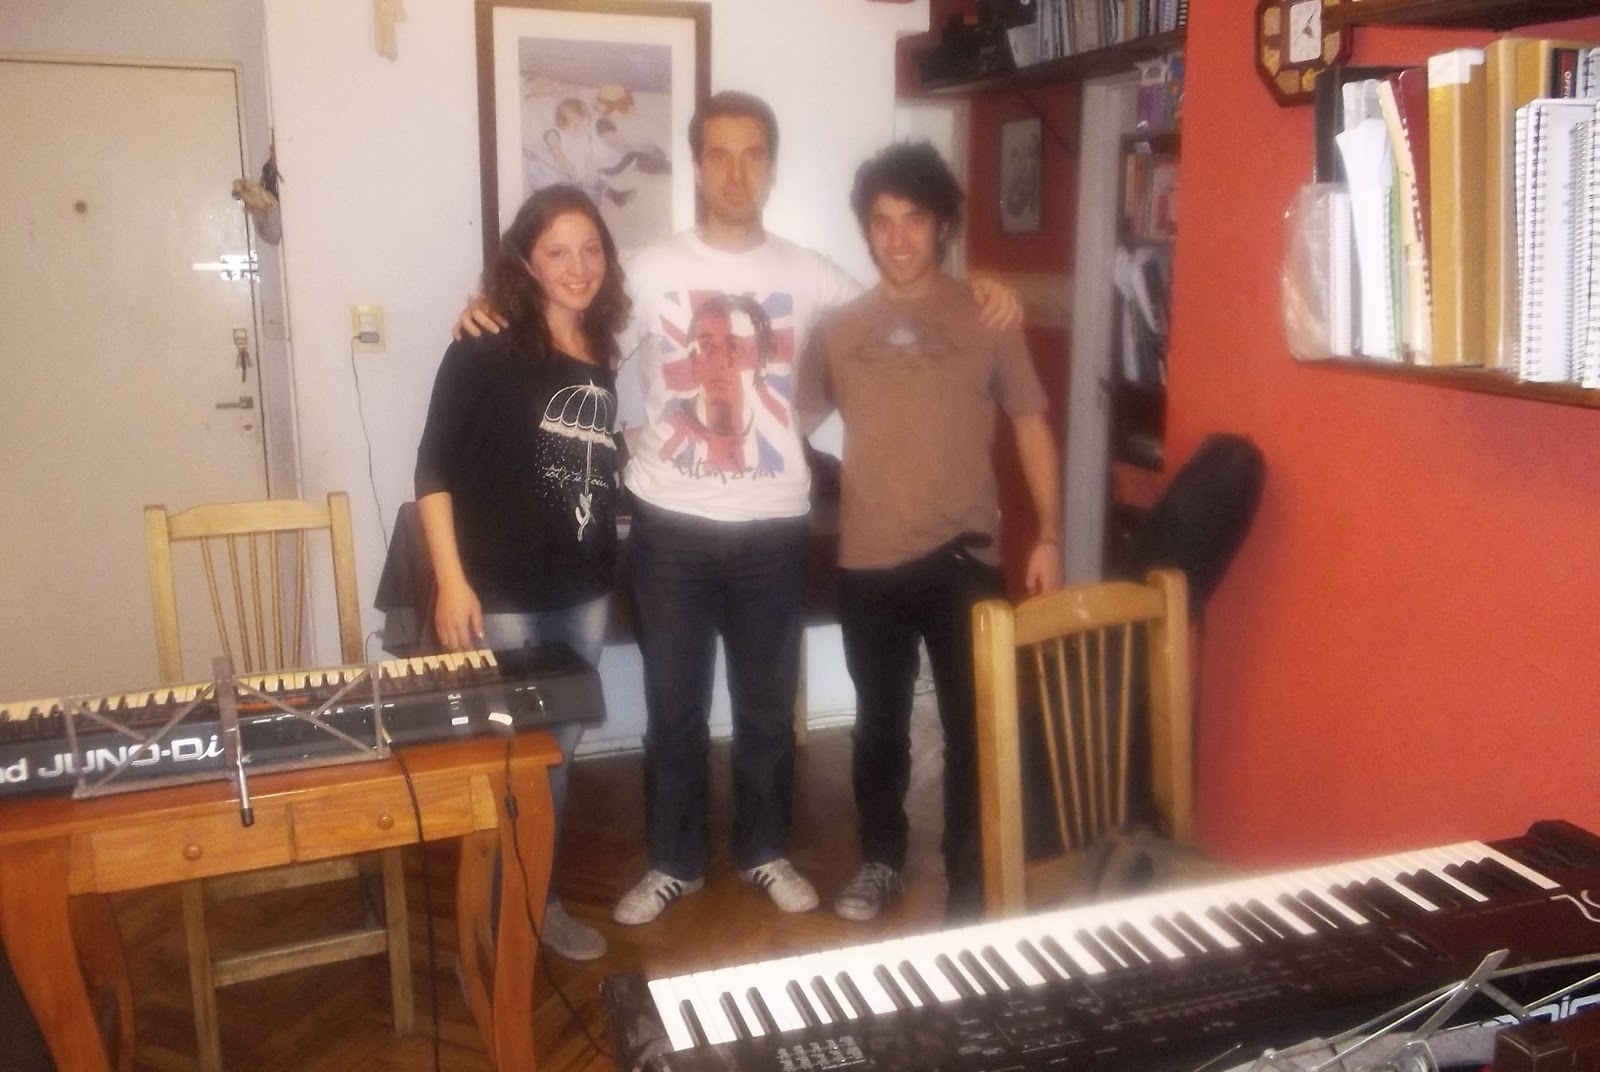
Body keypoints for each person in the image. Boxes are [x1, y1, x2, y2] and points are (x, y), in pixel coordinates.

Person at [456, 91, 1021, 928]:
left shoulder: (812, 275)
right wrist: (490, 308)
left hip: (774, 528)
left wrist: (986, 290)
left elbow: (905, 295)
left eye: (751, 154)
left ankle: (764, 851)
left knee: (764, 711)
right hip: (669, 525)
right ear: (696, 165)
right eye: (718, 154)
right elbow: (562, 326)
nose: (734, 171)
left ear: (771, 166)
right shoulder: (648, 268)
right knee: (674, 712)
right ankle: (674, 863)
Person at [797, 141, 1064, 924]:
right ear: (865, 231)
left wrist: (1050, 533)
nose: (898, 239)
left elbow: (1031, 420)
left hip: (964, 557)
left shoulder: (988, 316)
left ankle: (969, 875)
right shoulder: (838, 330)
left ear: (942, 225)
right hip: (869, 560)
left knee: (975, 727)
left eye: (913, 220)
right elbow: (785, 425)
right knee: (878, 726)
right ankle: (880, 859)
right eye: (881, 223)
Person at [414, 183, 629, 960]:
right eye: (557, 251)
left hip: (583, 590)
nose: (578, 266)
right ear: (528, 263)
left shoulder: (602, 348)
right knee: (507, 758)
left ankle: (540, 903)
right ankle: (498, 914)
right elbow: (432, 469)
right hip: (499, 593)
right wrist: (452, 581)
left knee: (555, 756)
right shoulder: (485, 342)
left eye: (591, 248)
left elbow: (584, 458)